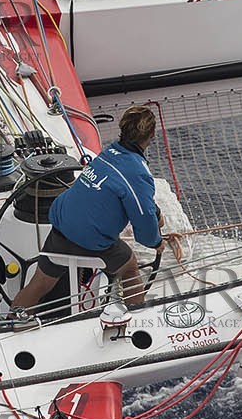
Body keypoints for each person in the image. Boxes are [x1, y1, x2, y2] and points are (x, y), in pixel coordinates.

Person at [10, 104, 174, 313]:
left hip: (61, 226)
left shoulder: (109, 152)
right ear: (151, 135)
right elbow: (144, 220)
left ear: (122, 130)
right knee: (130, 266)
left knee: (41, 281)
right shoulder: (138, 173)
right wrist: (156, 242)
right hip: (91, 239)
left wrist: (153, 212)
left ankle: (12, 321)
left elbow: (135, 199)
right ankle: (136, 319)